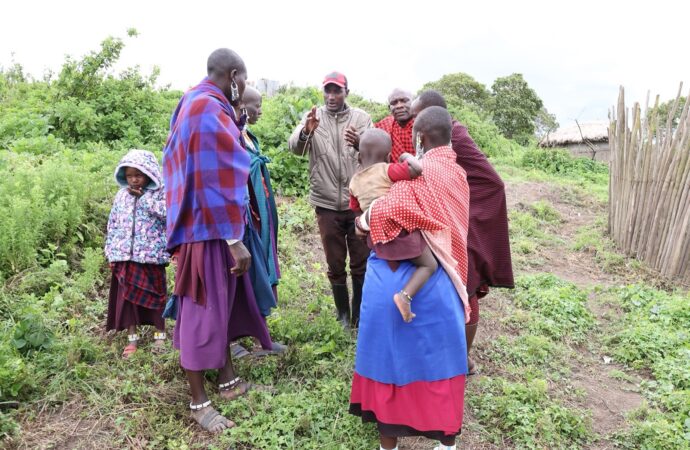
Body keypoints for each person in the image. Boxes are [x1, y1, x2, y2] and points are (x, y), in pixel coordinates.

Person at [163, 48, 273, 433]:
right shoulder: (207, 109)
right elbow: (216, 174)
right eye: (242, 80)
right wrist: (232, 238)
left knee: (221, 302)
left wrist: (237, 113)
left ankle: (227, 380)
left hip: (204, 222)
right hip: (208, 227)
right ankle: (198, 401)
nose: (244, 87)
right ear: (232, 75)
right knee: (202, 307)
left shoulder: (197, 101)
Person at [350, 106, 471, 450]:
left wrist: (362, 221)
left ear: (419, 138)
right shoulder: (457, 173)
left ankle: (390, 443)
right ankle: (445, 443)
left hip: (392, 278)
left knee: (387, 360)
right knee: (440, 363)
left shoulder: (416, 175)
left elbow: (390, 211)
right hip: (442, 281)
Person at [411, 90, 514, 374]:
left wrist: (465, 212)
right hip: (449, 218)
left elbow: (493, 182)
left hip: (463, 222)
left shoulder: (454, 135)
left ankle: (463, 359)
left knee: (467, 286)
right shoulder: (438, 142)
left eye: (416, 116)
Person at [288, 71, 372, 328]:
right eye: (328, 91)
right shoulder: (313, 117)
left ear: (347, 91)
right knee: (335, 262)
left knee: (360, 262)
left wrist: (361, 143)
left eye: (337, 90)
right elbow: (296, 150)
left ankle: (358, 315)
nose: (332, 96)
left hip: (356, 203)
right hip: (326, 203)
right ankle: (343, 316)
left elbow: (377, 154)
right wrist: (306, 132)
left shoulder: (361, 118)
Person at [348, 129, 434, 323]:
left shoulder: (354, 181)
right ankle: (405, 296)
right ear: (388, 156)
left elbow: (357, 211)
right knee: (429, 264)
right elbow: (417, 169)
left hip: (376, 237)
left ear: (359, 156)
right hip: (398, 231)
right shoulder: (387, 170)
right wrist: (405, 155)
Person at [105, 149, 169, 358]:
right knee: (128, 299)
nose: (134, 180)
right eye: (130, 175)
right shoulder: (121, 195)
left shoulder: (158, 193)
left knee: (157, 296)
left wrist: (143, 199)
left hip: (151, 255)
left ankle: (160, 334)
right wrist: (110, 251)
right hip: (124, 255)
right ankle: (132, 338)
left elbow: (167, 215)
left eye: (139, 175)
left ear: (149, 174)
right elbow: (113, 224)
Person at [374, 89, 415, 162]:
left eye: (404, 101)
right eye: (394, 103)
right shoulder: (383, 126)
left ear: (413, 103)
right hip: (391, 172)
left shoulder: (425, 125)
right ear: (389, 107)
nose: (399, 106)